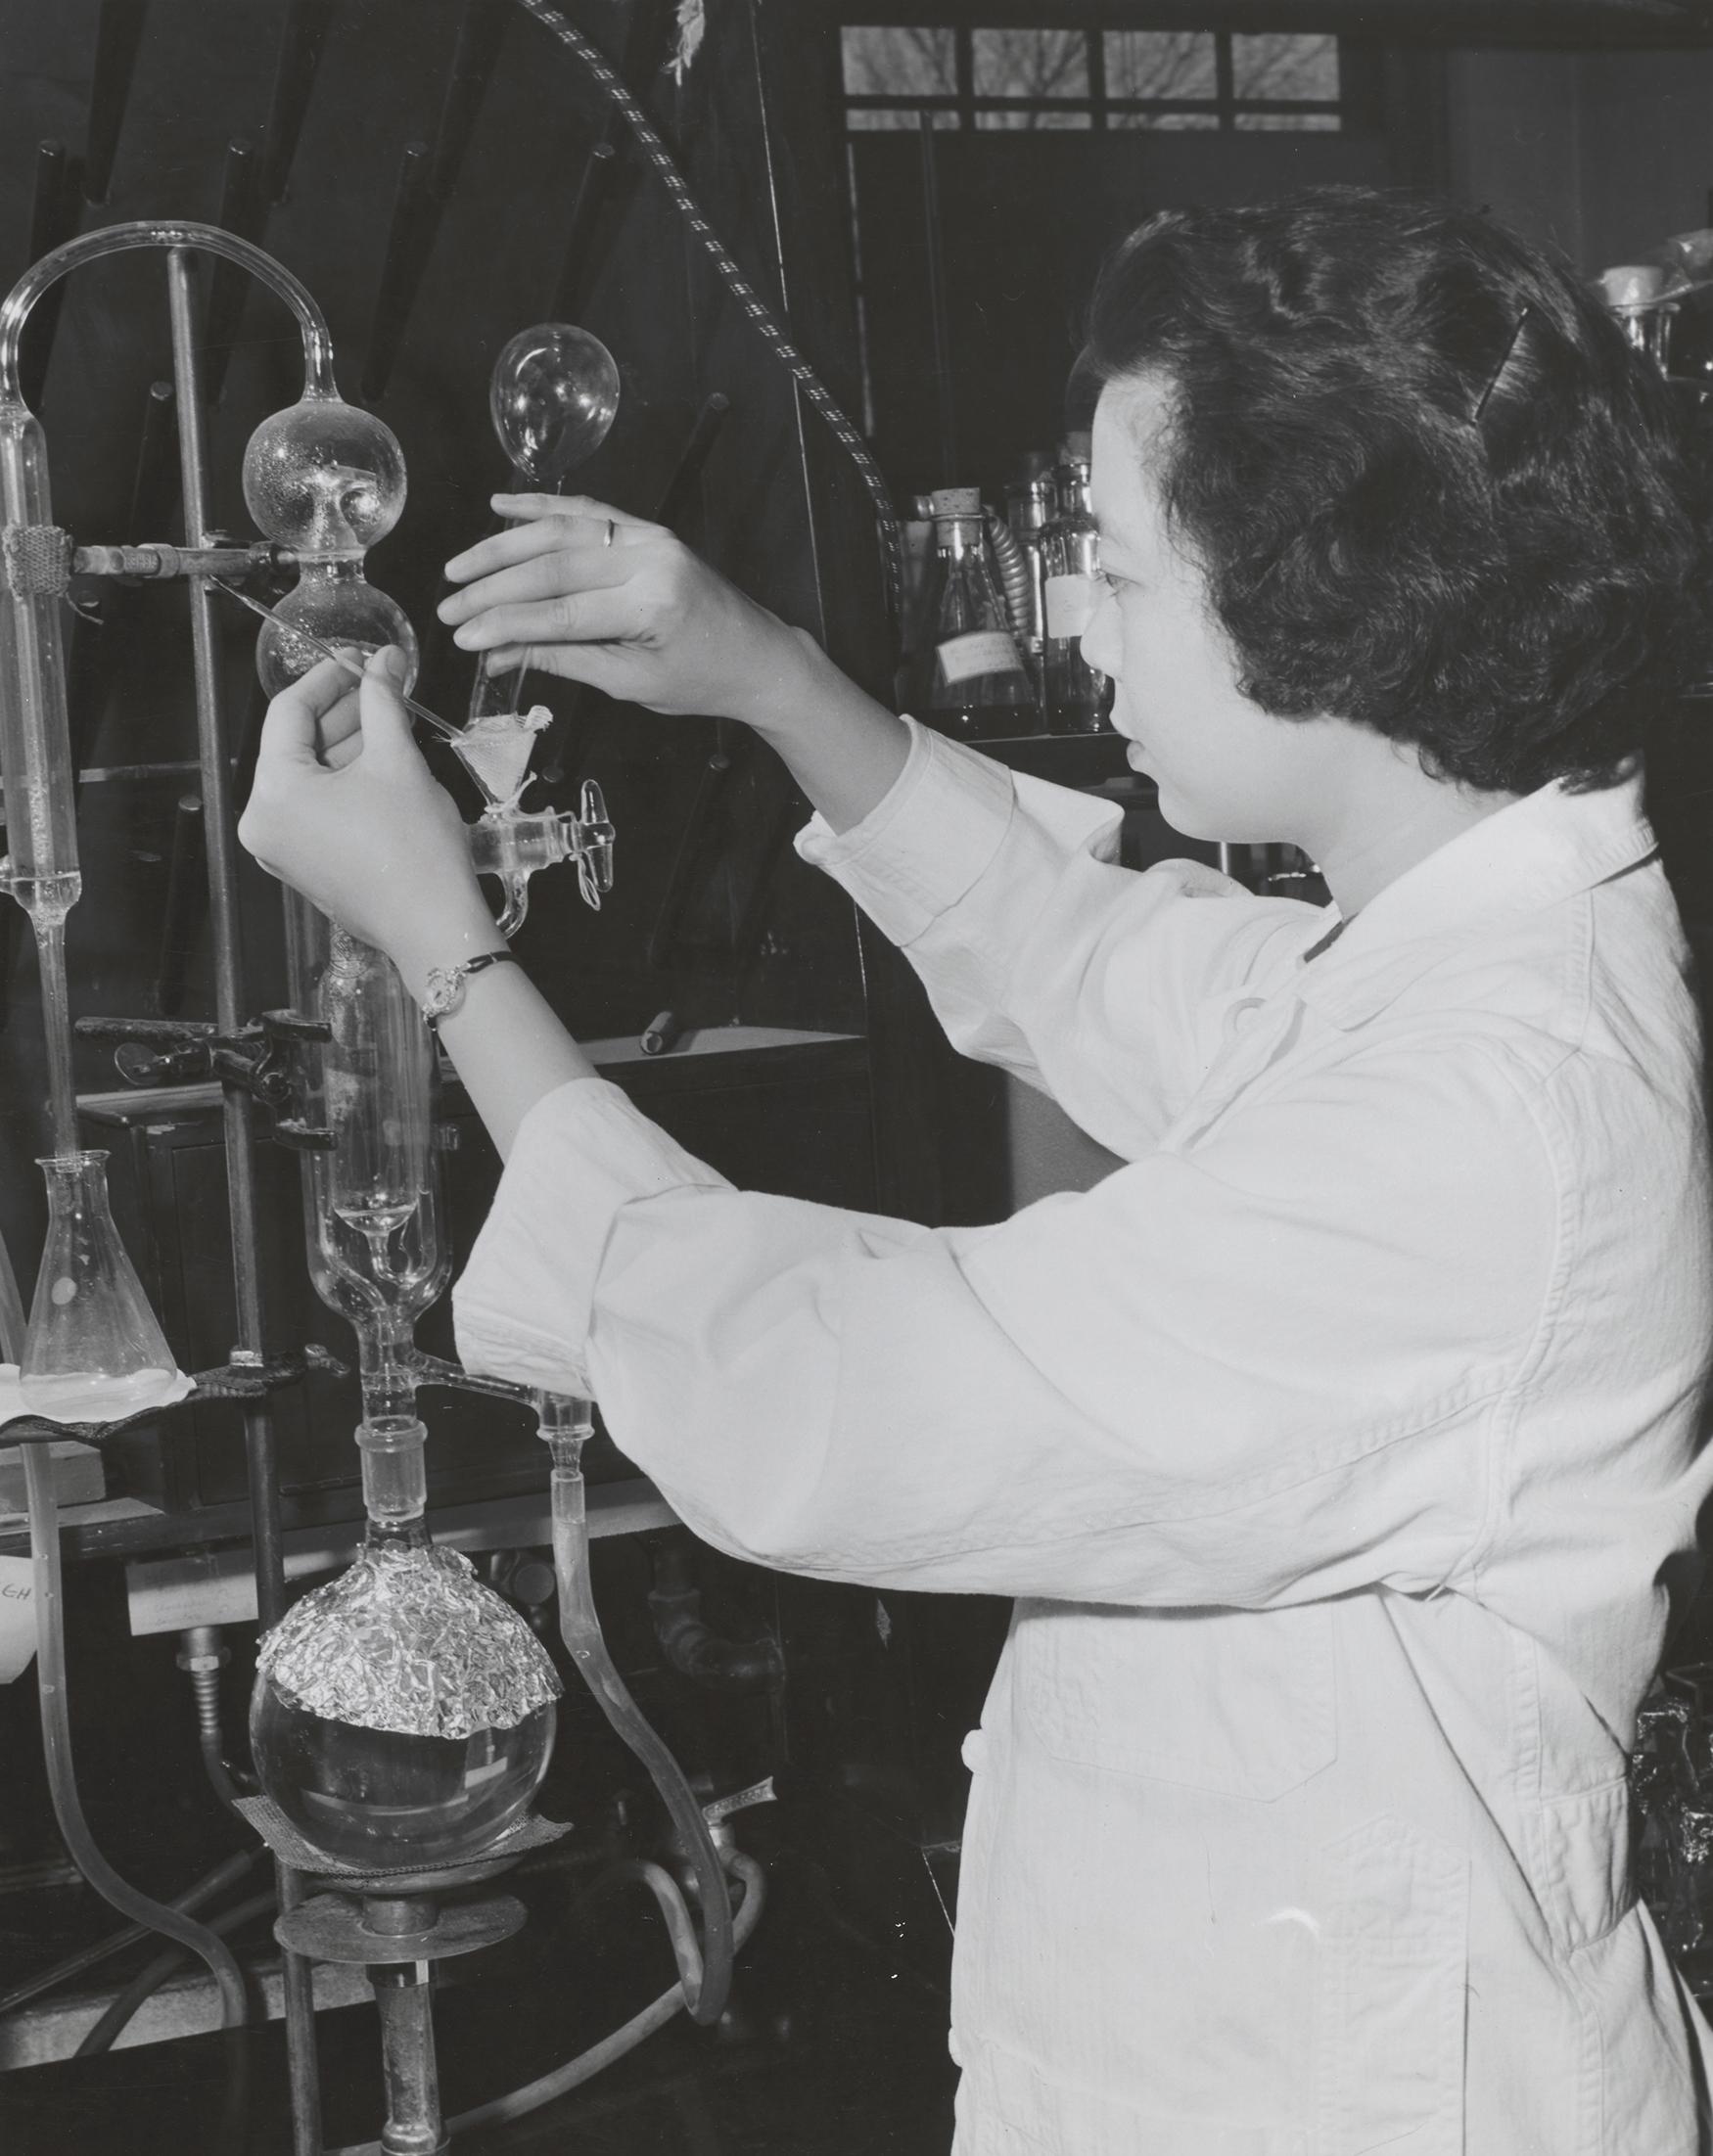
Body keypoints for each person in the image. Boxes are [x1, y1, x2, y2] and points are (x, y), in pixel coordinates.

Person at [240, 187, 1713, 2153]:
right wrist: (766, 673)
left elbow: (840, 1394)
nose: (1071, 615)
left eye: (1109, 562)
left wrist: (450, 951)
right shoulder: (1464, 954)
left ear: (1316, 600)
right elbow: (1102, 959)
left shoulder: (1475, 1118)